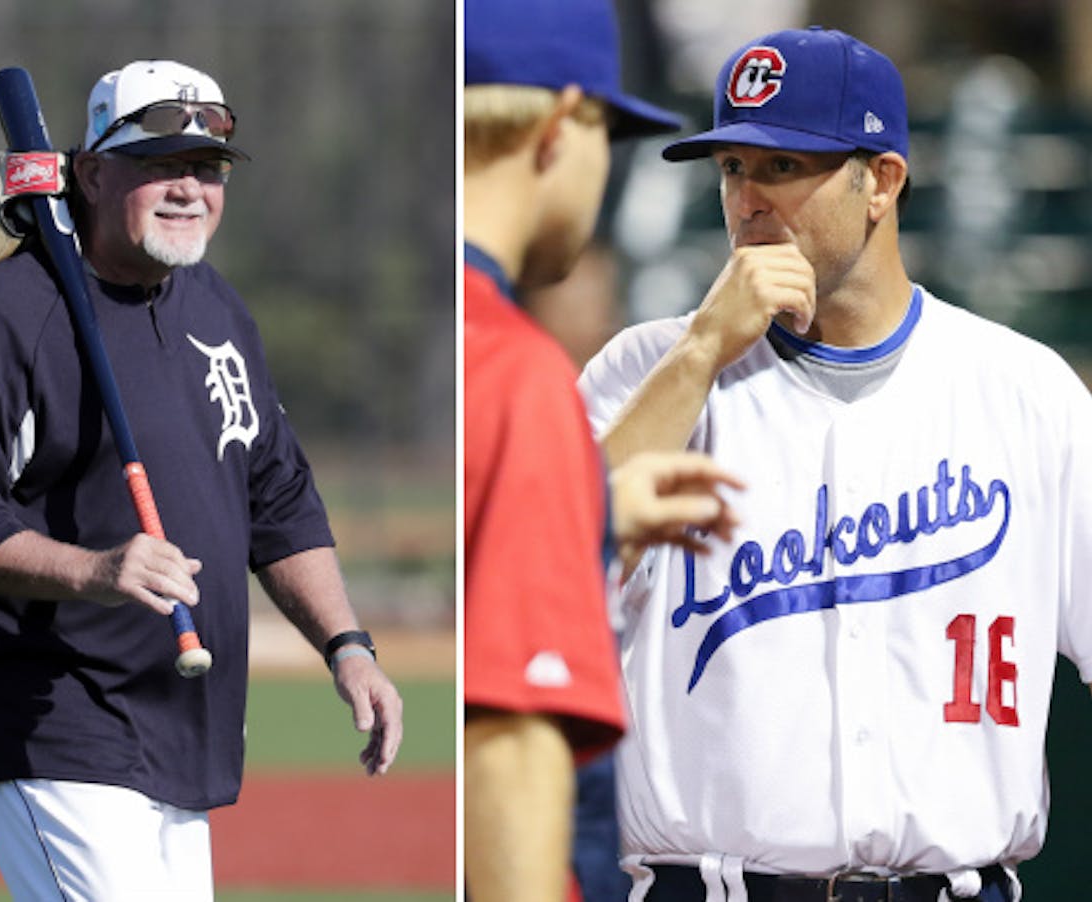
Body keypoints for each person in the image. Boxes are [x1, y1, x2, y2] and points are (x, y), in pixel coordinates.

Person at [578, 26, 1092, 901]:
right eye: (732, 167)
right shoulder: (646, 373)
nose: (748, 199)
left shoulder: (1023, 389)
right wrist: (701, 351)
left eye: (784, 167)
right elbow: (553, 573)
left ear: (881, 181)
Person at [0, 59, 402, 901]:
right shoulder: (3, 320)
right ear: (91, 175)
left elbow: (277, 500)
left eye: (206, 170)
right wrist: (95, 571)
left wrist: (347, 646)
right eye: (158, 165)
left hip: (184, 728)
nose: (188, 189)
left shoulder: (217, 310)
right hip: (54, 723)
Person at [464, 3, 745, 901]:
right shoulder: (515, 367)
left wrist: (590, 519)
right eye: (610, 134)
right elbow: (508, 742)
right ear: (562, 123)